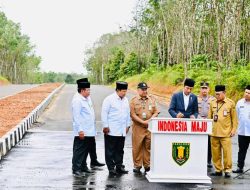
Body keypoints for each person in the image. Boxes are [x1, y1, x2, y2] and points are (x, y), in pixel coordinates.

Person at [71, 78, 103, 177]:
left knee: (85, 150)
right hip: (82, 130)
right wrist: (80, 130)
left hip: (89, 130)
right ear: (82, 90)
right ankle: (76, 169)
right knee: (79, 151)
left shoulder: (86, 98)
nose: (89, 92)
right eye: (88, 90)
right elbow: (76, 117)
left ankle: (83, 166)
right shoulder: (77, 100)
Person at [208, 85, 238, 178]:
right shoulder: (212, 103)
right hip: (214, 133)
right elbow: (209, 118)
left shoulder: (230, 103)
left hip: (226, 133)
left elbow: (234, 119)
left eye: (219, 94)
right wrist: (208, 130)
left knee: (227, 153)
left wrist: (233, 130)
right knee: (215, 153)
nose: (217, 96)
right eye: (216, 94)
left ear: (224, 93)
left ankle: (227, 170)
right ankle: (218, 170)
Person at [101, 81, 131, 176]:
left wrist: (128, 125)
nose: (124, 93)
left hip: (122, 130)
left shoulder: (125, 100)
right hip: (111, 130)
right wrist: (105, 126)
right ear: (117, 90)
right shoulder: (109, 99)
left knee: (120, 149)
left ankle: (119, 166)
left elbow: (127, 114)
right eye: (123, 91)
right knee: (110, 150)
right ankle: (111, 168)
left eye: (125, 91)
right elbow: (104, 113)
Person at [130, 82, 160, 174]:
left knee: (148, 146)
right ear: (138, 90)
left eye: (146, 89)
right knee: (137, 147)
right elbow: (132, 114)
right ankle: (137, 165)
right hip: (138, 127)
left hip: (149, 127)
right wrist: (142, 122)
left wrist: (150, 120)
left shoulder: (152, 99)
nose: (145, 91)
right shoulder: (133, 100)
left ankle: (147, 165)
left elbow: (156, 112)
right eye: (143, 89)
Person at [233, 85, 250, 174]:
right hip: (242, 131)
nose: (247, 94)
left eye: (249, 93)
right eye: (246, 92)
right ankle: (240, 167)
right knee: (242, 150)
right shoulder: (239, 103)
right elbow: (236, 116)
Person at [198, 82, 214, 168]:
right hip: (198, 123)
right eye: (202, 88)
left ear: (209, 89)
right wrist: (200, 118)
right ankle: (198, 158)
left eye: (206, 88)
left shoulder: (212, 99)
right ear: (200, 89)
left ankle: (208, 160)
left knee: (209, 143)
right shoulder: (195, 99)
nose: (204, 90)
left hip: (209, 123)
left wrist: (208, 120)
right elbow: (194, 111)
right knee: (198, 141)